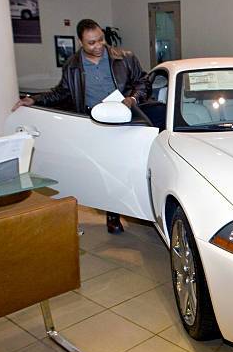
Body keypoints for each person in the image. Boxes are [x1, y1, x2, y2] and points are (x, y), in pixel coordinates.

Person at [12, 18, 150, 234]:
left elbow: (143, 82)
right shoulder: (73, 66)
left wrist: (132, 99)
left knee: (123, 169)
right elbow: (62, 92)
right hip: (90, 124)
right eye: (91, 43)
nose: (98, 46)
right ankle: (109, 212)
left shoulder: (125, 58)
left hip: (124, 121)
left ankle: (125, 210)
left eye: (100, 40)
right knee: (100, 171)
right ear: (80, 42)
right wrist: (34, 99)